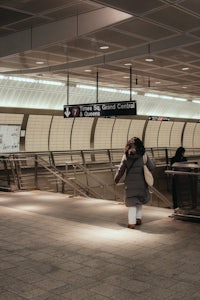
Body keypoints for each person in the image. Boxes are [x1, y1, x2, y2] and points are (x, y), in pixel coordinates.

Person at [114, 137, 155, 229]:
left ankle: (131, 223)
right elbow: (152, 167)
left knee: (132, 202)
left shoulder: (125, 156)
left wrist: (116, 179)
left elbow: (121, 170)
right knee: (139, 201)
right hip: (142, 183)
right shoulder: (144, 155)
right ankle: (138, 218)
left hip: (130, 184)